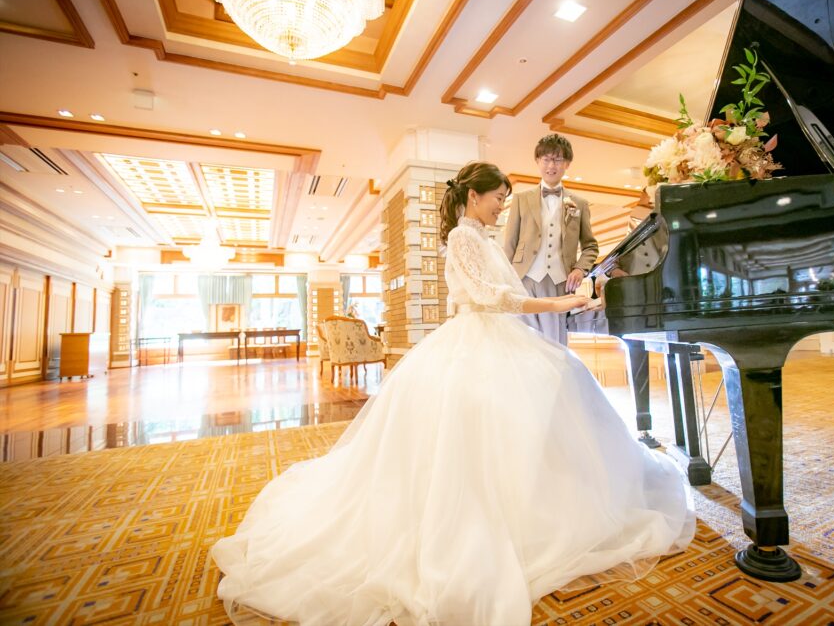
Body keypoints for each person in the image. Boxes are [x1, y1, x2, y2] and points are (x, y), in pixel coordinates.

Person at [211, 162, 695, 626]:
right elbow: (488, 297)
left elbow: (502, 292)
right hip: (476, 336)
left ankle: (541, 504)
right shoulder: (463, 237)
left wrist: (564, 298)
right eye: (498, 198)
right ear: (473, 196)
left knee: (558, 386)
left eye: (505, 199)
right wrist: (557, 302)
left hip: (499, 337)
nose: (501, 206)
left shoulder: (482, 238)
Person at [503, 134, 599, 345]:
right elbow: (509, 243)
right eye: (546, 159)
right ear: (537, 161)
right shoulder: (521, 199)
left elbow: (590, 245)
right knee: (523, 339)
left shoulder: (579, 203)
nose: (551, 165)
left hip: (558, 281)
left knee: (554, 342)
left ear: (567, 164)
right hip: (523, 278)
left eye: (557, 160)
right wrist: (506, 280)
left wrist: (580, 269)